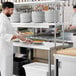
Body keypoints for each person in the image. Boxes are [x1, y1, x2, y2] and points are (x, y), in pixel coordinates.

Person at [0, 2, 31, 76]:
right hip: (3, 48)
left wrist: (25, 39)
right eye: (11, 10)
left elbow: (13, 31)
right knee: (5, 69)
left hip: (7, 48)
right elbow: (2, 34)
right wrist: (17, 36)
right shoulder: (2, 19)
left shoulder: (6, 18)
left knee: (8, 68)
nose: (12, 12)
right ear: (6, 9)